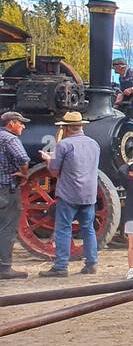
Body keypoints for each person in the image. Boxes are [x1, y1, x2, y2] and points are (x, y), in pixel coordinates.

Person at [39, 110, 101, 277]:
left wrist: (48, 159)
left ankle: (61, 266)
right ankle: (91, 263)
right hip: (89, 193)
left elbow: (53, 171)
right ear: (81, 127)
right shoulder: (94, 144)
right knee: (88, 229)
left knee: (63, 229)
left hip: (69, 193)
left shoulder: (63, 145)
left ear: (66, 129)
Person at [0, 110, 32, 280]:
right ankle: (5, 267)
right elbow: (23, 159)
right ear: (11, 124)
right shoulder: (10, 139)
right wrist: (24, 175)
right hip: (6, 189)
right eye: (20, 123)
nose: (23, 126)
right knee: (7, 228)